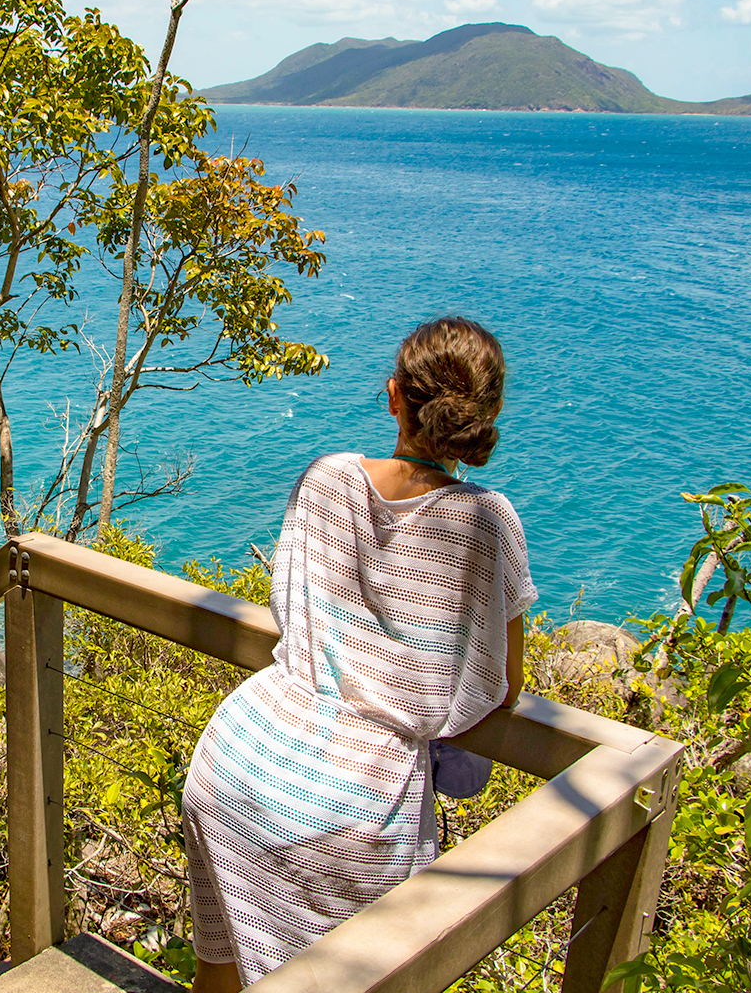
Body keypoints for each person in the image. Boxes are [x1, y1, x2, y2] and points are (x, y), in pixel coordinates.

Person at [180, 317, 537, 992]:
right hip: (357, 808)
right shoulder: (489, 520)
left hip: (239, 759)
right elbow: (502, 684)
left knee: (220, 974)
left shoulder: (328, 477)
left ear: (394, 395)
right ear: (485, 414)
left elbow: (292, 603)